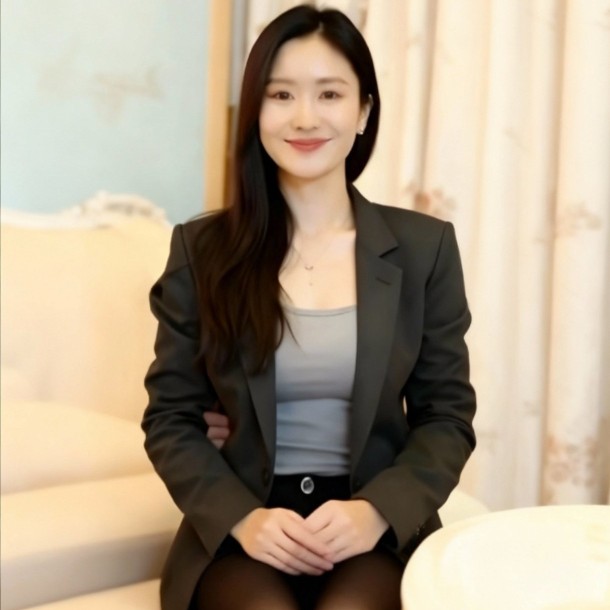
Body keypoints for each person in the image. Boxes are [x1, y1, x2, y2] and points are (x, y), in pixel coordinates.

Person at [142, 5, 476, 610]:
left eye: (329, 94)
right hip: (244, 529)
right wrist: (243, 519)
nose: (305, 117)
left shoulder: (424, 250)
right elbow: (170, 418)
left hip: (372, 528)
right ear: (256, 111)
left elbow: (446, 417)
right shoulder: (202, 250)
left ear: (364, 110)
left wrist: (377, 511)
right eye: (281, 94)